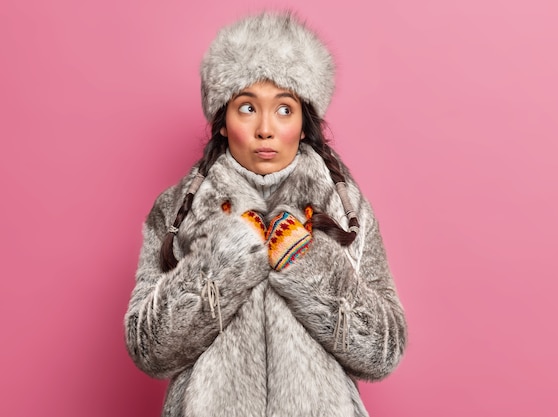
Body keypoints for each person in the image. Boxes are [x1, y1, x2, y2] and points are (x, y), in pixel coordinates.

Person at [124, 11, 407, 417]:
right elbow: (147, 349)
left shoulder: (345, 209)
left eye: (284, 109)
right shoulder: (175, 211)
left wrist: (311, 267)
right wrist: (224, 260)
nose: (265, 129)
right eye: (247, 108)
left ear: (303, 119)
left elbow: (384, 351)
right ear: (223, 120)